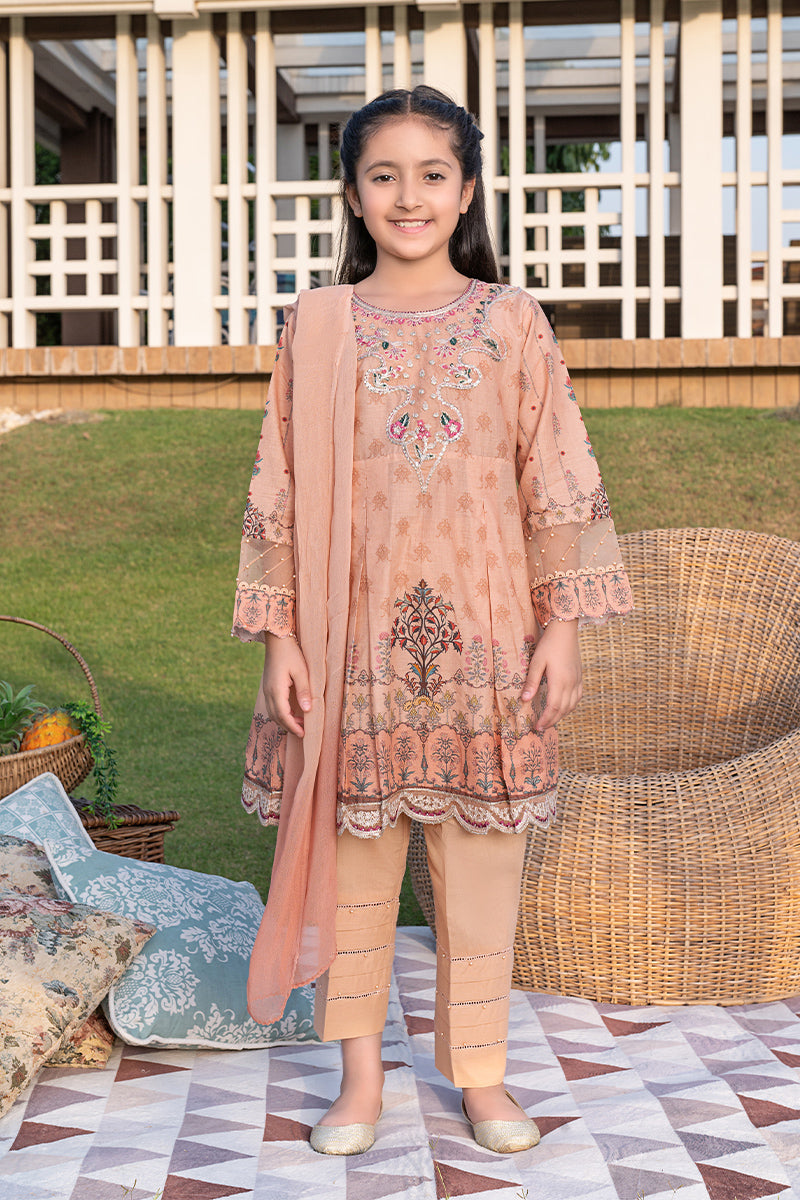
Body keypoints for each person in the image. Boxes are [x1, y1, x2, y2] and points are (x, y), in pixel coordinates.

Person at [232, 85, 633, 1157]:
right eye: (384, 175)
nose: (408, 196)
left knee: (481, 873)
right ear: (352, 194)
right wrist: (280, 638)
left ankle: (482, 1076)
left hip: (488, 645)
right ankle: (359, 1080)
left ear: (465, 191)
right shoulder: (319, 325)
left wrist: (563, 627)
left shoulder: (510, 321)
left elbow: (556, 478)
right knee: (353, 872)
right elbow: (277, 486)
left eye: (431, 174)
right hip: (350, 646)